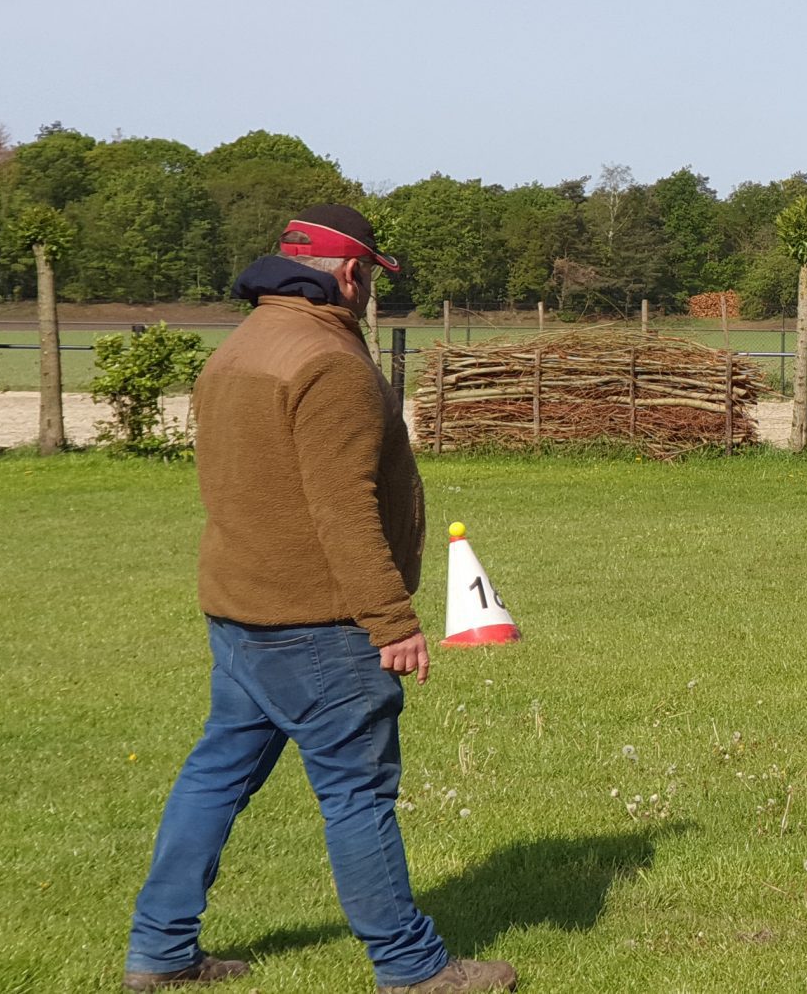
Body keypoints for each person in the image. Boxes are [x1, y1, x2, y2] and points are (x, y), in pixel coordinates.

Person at [124, 205, 515, 994]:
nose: (370, 291)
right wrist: (392, 619)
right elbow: (344, 506)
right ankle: (411, 968)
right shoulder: (328, 363)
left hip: (240, 613)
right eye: (370, 275)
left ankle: (160, 950)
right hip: (318, 626)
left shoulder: (240, 346)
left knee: (213, 778)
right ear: (348, 273)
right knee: (358, 793)